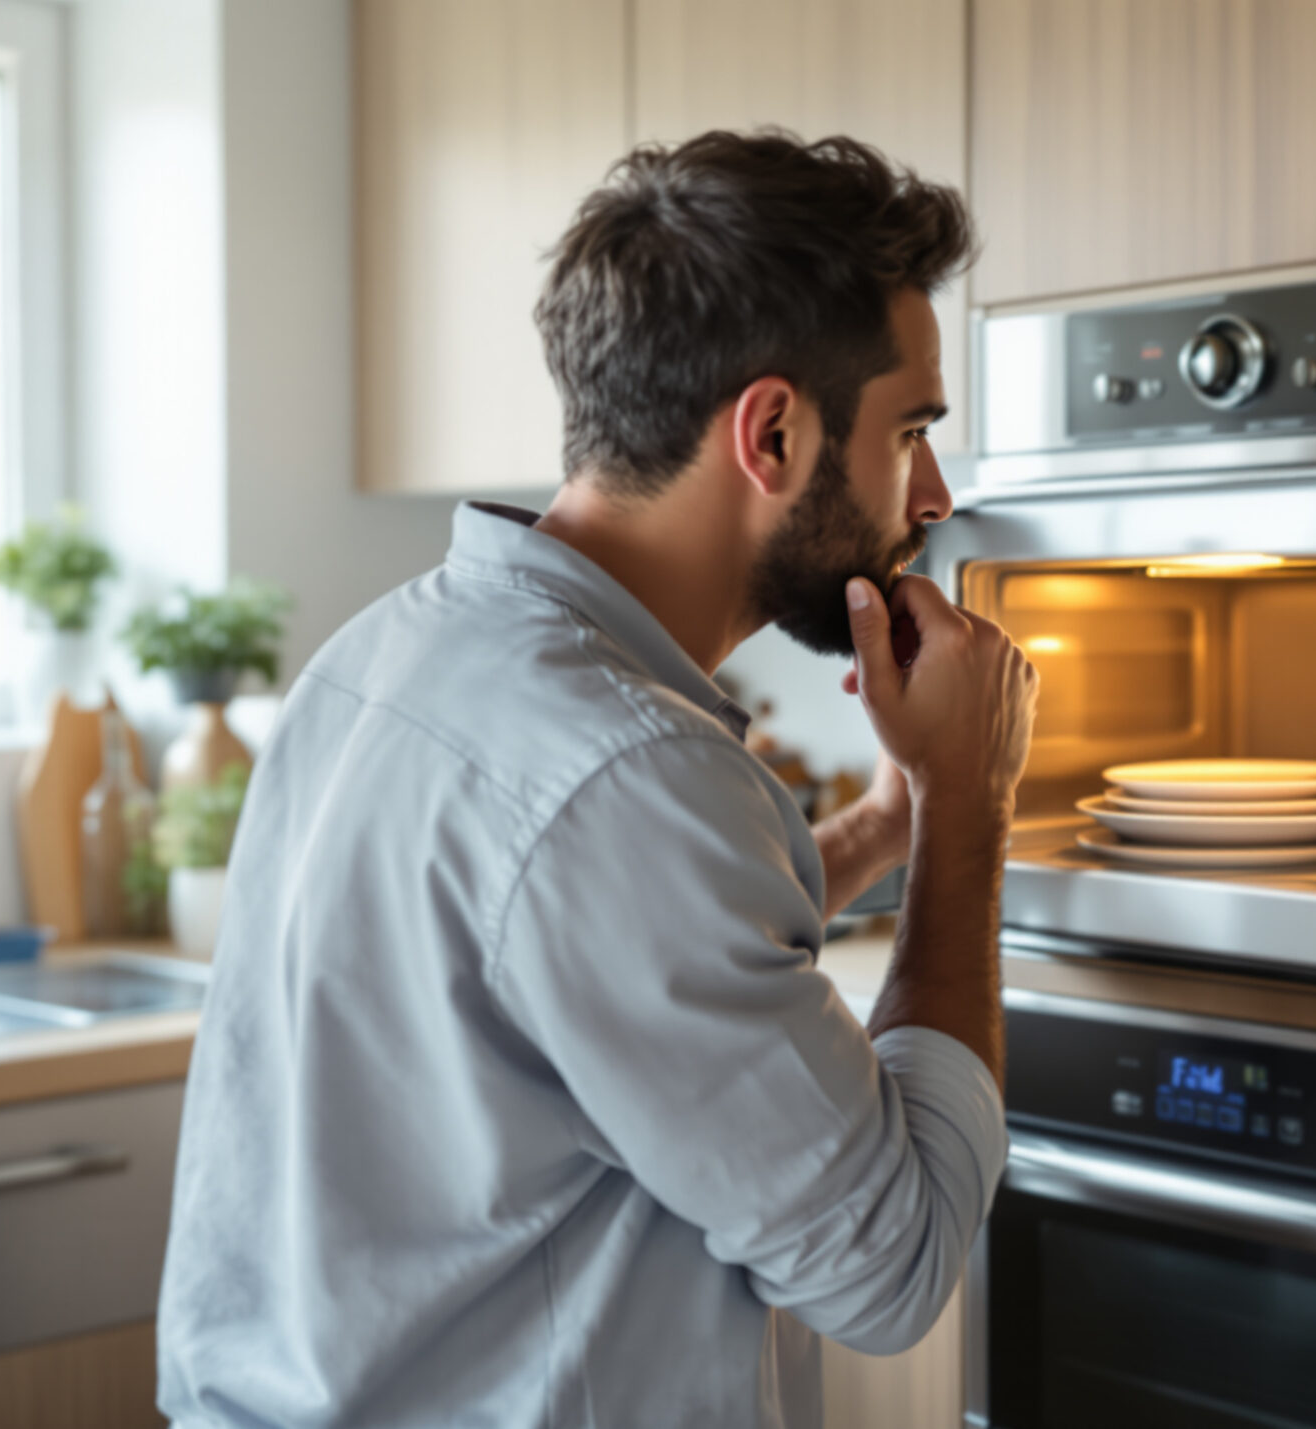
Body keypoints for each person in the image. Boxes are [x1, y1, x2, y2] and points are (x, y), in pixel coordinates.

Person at [155, 129, 1036, 1428]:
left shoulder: (384, 652)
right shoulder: (631, 770)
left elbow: (588, 953)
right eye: (911, 431)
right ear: (775, 432)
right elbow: (891, 1264)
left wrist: (883, 825)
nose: (937, 491)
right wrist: (969, 814)